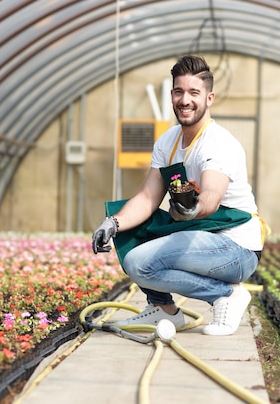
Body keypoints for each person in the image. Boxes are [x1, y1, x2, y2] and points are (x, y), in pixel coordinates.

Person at [92, 55, 266, 336]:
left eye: (194, 93)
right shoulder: (168, 141)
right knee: (132, 232)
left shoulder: (218, 143)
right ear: (172, 94)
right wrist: (112, 223)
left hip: (236, 248)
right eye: (179, 91)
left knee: (139, 263)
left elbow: (210, 195)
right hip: (200, 236)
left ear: (209, 98)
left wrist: (193, 208)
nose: (185, 100)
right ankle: (164, 310)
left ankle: (225, 294)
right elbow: (147, 199)